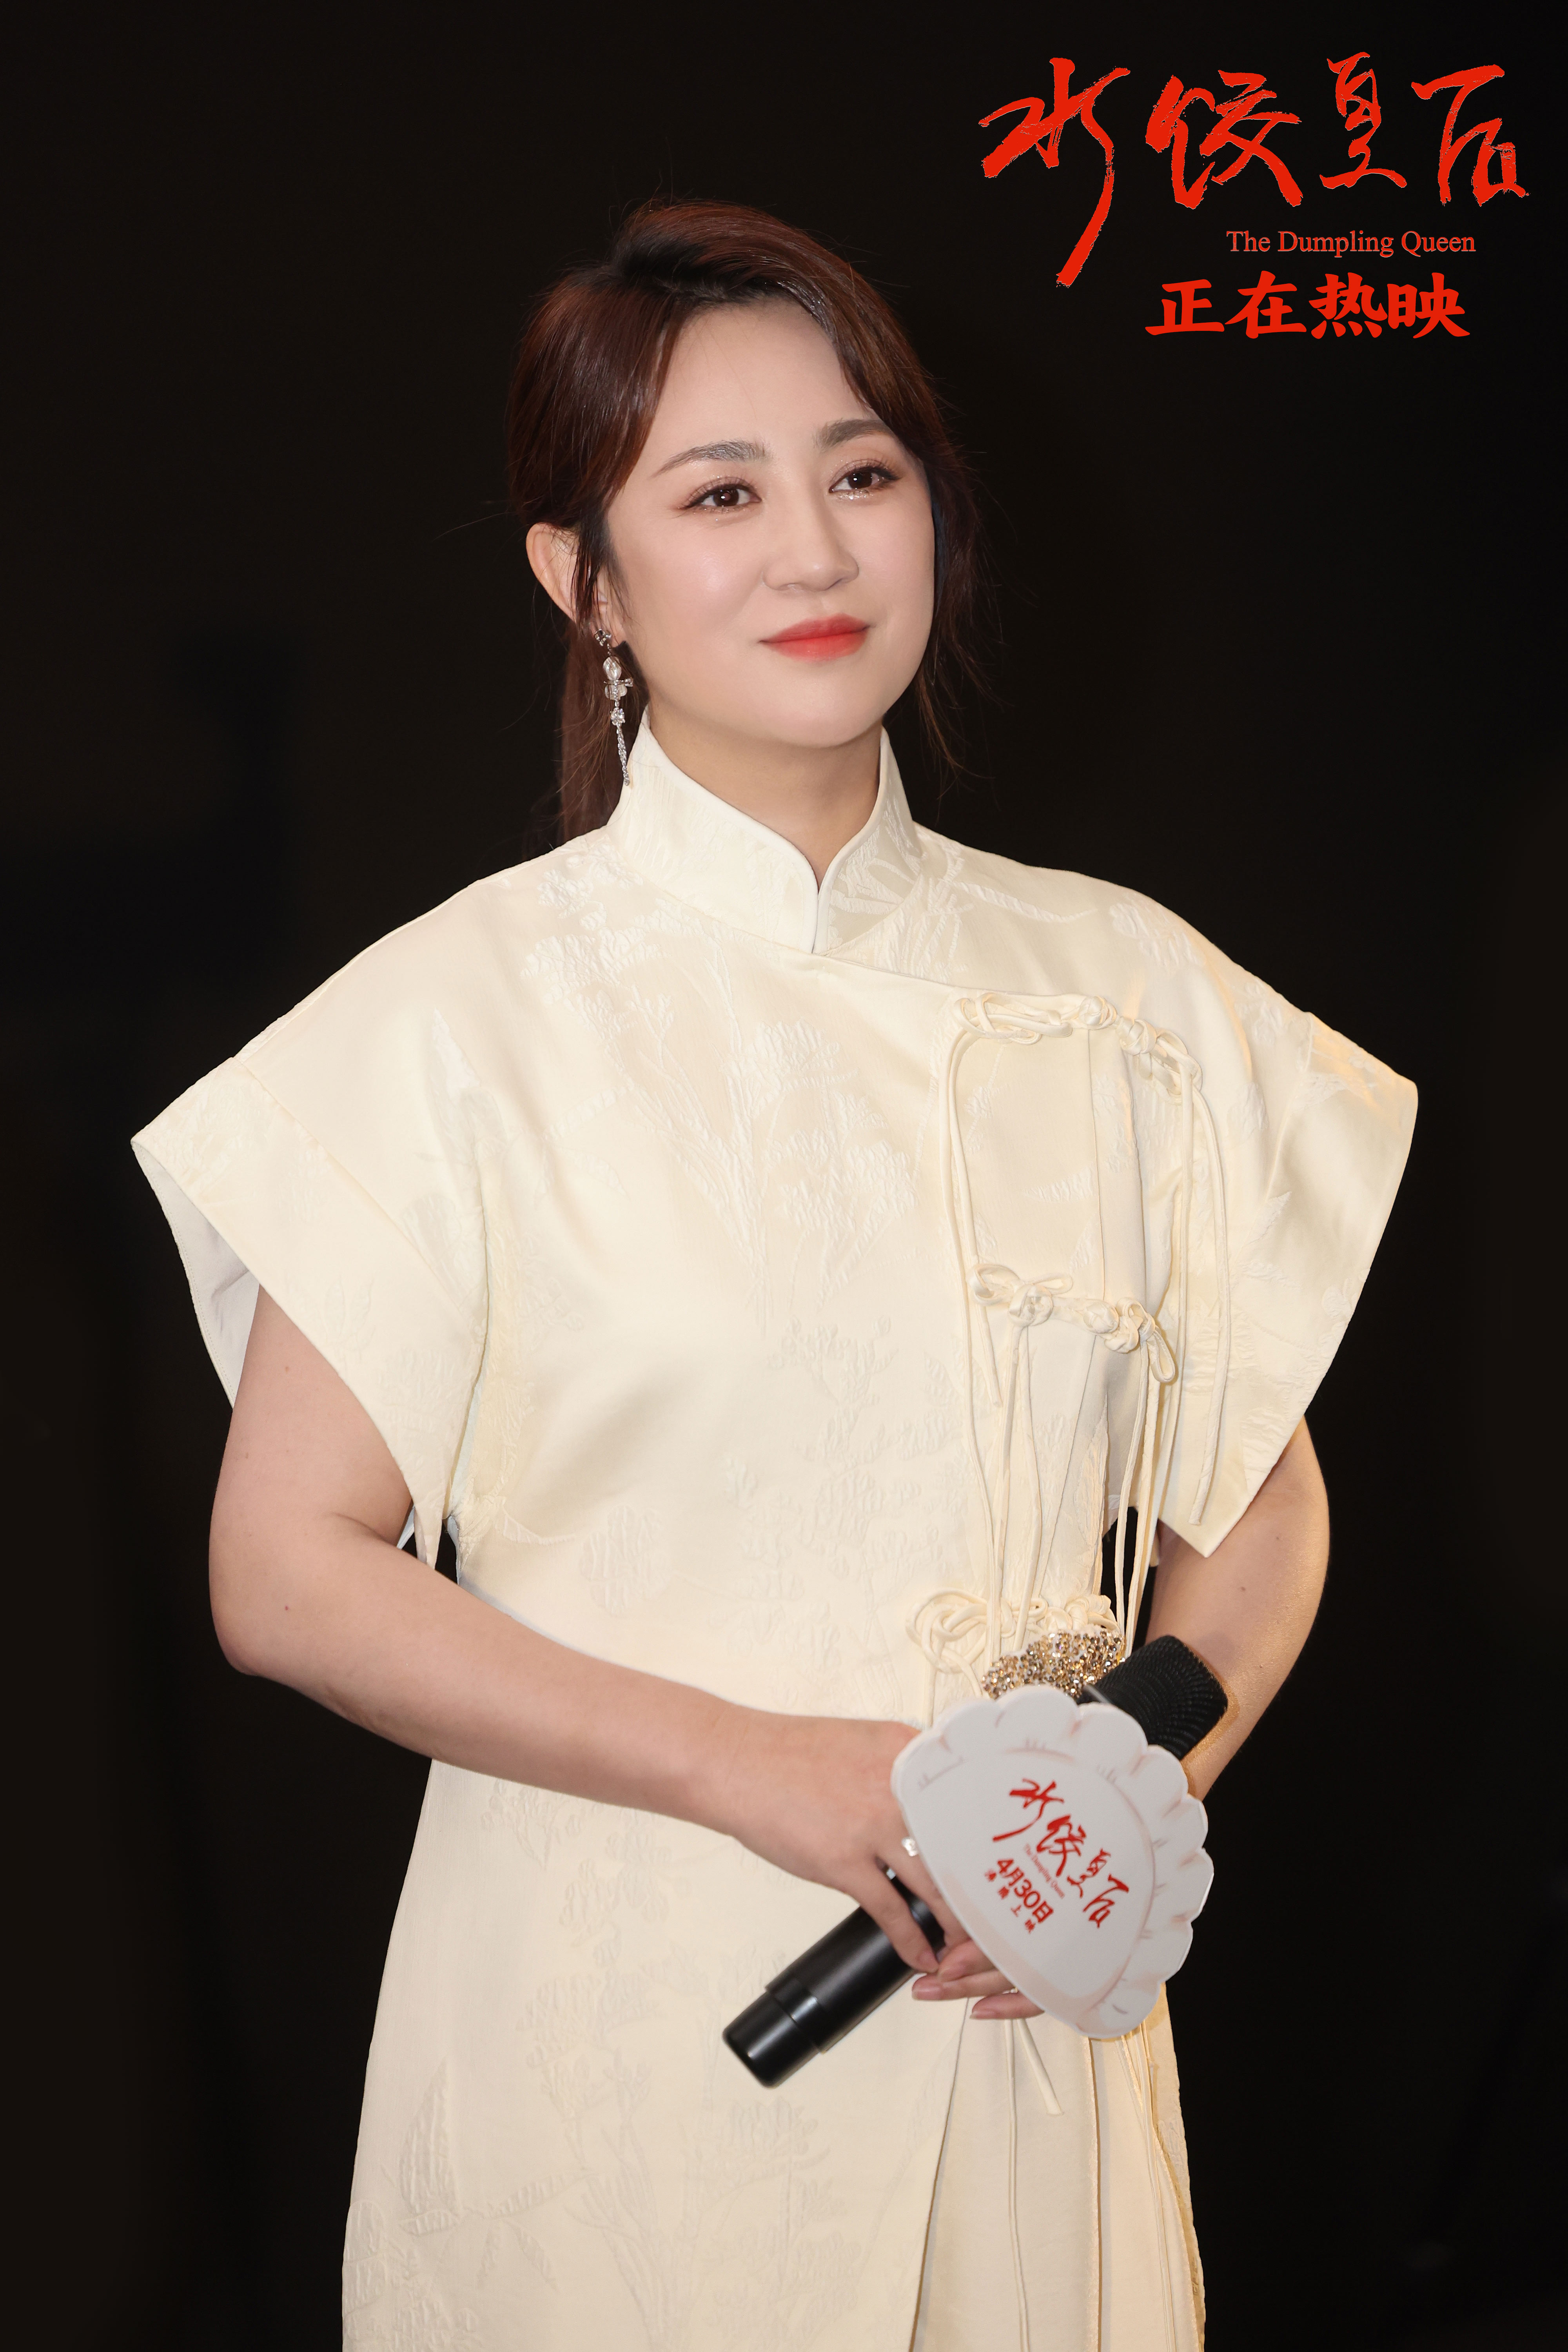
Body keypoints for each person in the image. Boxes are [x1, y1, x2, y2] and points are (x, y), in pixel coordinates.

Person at [133, 201, 1415, 2351]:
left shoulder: (1130, 994)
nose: (814, 549)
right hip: (621, 2047)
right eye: (720, 494)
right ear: (586, 579)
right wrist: (752, 1766)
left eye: (863, 471)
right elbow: (285, 1572)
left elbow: (1261, 1502)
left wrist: (1127, 1793)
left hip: (1028, 2019)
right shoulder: (458, 1023)